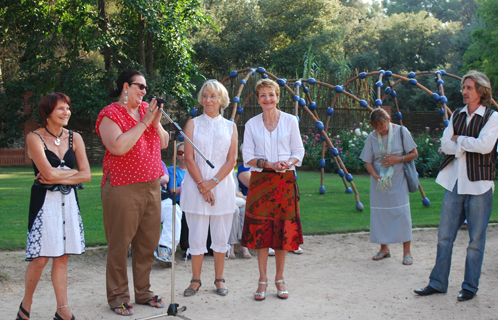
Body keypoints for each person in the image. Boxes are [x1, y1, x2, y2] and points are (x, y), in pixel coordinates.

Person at [414, 71, 498, 301]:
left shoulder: (493, 118)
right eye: (464, 88)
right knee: (444, 237)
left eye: (469, 88)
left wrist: (458, 141)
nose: (464, 92)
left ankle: (469, 287)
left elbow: (484, 145)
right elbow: (444, 145)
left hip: (480, 187)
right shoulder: (457, 115)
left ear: (481, 91)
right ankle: (437, 283)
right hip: (454, 184)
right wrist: (462, 144)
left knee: (475, 241)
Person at [96, 70, 169, 316]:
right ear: (125, 87)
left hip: (151, 185)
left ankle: (144, 292)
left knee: (147, 243)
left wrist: (155, 123)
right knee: (120, 244)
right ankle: (118, 297)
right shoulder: (110, 113)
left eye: (146, 88)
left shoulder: (146, 111)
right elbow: (117, 146)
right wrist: (145, 123)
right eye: (140, 87)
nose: (144, 92)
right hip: (122, 187)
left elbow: (165, 142)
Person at [17, 92, 91, 320]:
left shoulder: (75, 138)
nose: (66, 112)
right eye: (60, 108)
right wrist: (71, 175)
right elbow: (46, 173)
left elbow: (87, 175)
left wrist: (58, 177)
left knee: (62, 258)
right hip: (44, 205)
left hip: (68, 203)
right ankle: (25, 305)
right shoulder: (34, 138)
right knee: (41, 258)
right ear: (47, 113)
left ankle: (63, 310)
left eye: (67, 108)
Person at [241, 78, 305, 301]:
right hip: (260, 183)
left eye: (271, 94)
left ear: (278, 97)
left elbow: (299, 150)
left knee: (281, 232)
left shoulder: (290, 121)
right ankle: (262, 280)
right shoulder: (251, 124)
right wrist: (269, 164)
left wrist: (288, 162)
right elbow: (247, 156)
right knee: (260, 233)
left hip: (284, 182)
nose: (267, 99)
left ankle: (279, 278)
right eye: (262, 95)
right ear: (258, 99)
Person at [181, 79, 238, 297]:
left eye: (213, 96)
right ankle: (195, 280)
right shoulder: (192, 124)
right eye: (205, 96)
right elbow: (189, 157)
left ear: (221, 99)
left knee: (220, 236)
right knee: (196, 236)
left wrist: (212, 184)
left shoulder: (230, 126)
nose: (208, 100)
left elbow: (232, 160)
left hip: (222, 189)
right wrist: (201, 186)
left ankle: (219, 279)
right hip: (196, 188)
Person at [360, 108, 418, 265]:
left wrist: (397, 160)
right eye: (376, 128)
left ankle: (407, 252)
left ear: (388, 120)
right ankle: (384, 249)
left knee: (402, 212)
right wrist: (374, 175)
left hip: (399, 180)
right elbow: (368, 161)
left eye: (382, 127)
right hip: (380, 183)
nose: (380, 130)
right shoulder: (372, 137)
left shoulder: (401, 131)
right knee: (380, 215)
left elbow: (414, 153)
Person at [155, 146, 185, 267]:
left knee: (174, 210)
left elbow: (165, 178)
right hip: (137, 198)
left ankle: (165, 249)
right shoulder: (132, 160)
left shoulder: (158, 161)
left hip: (160, 197)